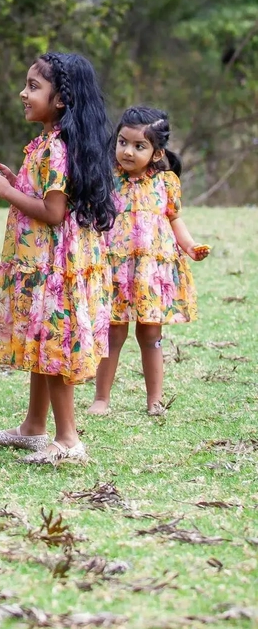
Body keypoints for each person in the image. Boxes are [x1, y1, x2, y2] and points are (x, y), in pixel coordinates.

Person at [0, 52, 115, 464]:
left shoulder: (56, 148)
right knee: (42, 342)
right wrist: (18, 182)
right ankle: (34, 427)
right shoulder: (49, 144)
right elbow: (51, 199)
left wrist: (6, 191)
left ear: (61, 100)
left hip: (55, 266)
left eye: (34, 86)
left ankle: (68, 439)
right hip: (45, 262)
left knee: (54, 347)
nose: (23, 92)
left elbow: (54, 214)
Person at [88, 106, 207, 418]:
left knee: (151, 335)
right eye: (123, 142)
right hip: (116, 269)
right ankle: (101, 398)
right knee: (113, 333)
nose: (127, 151)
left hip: (151, 272)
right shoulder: (107, 180)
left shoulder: (166, 183)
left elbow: (175, 221)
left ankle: (154, 399)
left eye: (139, 146)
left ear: (157, 153)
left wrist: (191, 246)